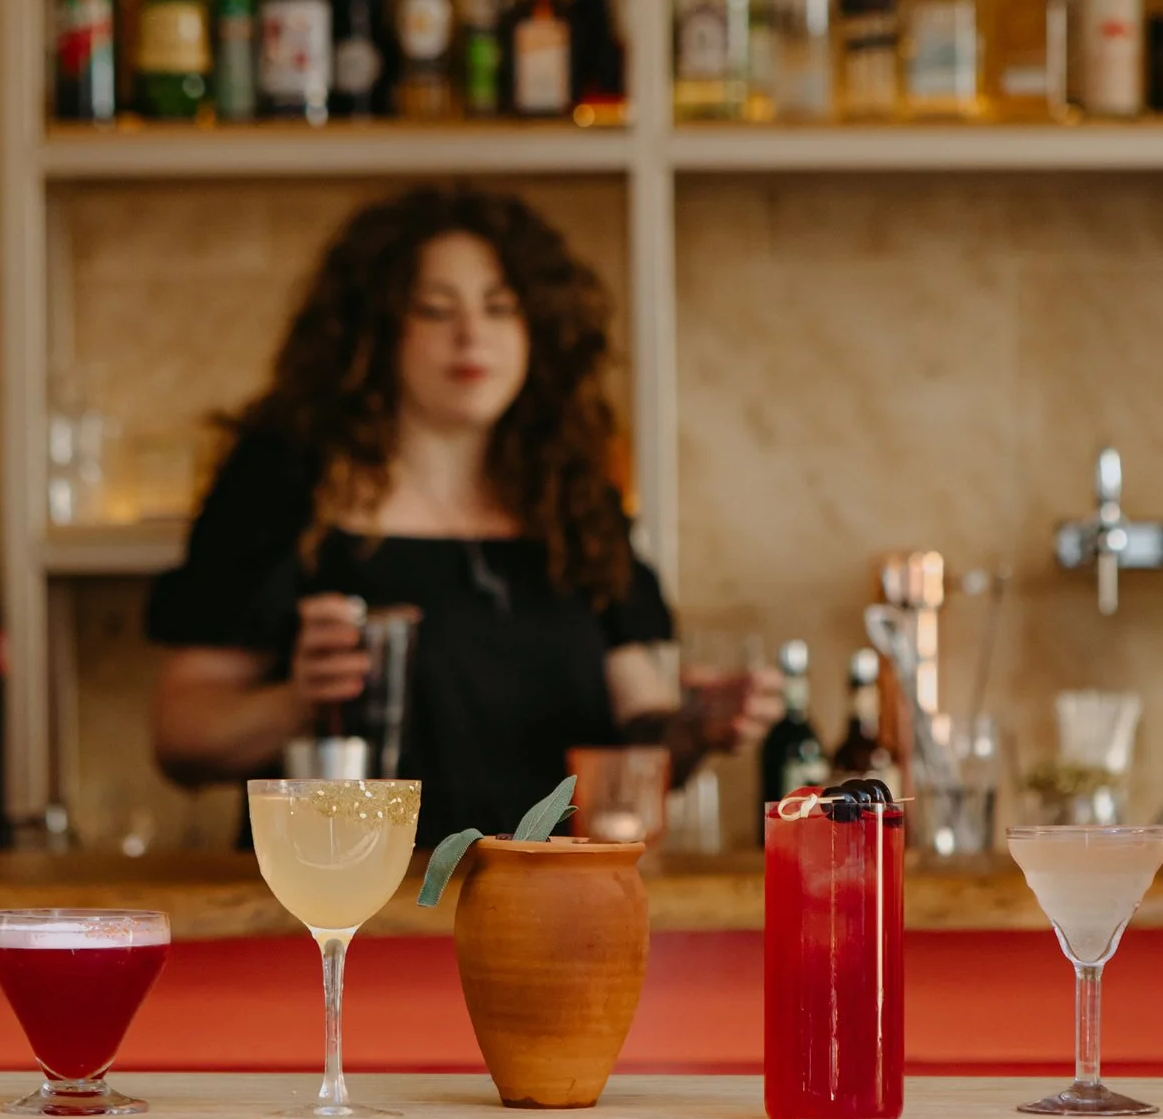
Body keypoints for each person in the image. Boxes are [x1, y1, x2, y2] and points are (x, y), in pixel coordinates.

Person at [146, 185, 776, 840]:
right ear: (375, 330)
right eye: (435, 309)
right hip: (351, 907)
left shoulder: (572, 500)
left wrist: (697, 726)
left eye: (501, 308)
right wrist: (300, 700)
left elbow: (637, 740)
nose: (472, 334)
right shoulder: (285, 487)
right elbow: (181, 738)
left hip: (541, 906)